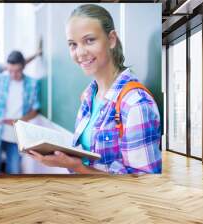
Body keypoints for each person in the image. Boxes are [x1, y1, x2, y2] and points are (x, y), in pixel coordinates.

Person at [28, 4, 162, 174]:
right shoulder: (89, 97)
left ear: (112, 39)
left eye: (89, 40)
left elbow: (143, 186)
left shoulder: (135, 104)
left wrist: (75, 166)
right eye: (73, 44)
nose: (80, 52)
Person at [0, 51, 41, 174]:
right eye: (10, 71)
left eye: (17, 71)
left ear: (23, 66)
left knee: (14, 170)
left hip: (17, 136)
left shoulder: (32, 84)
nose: (13, 74)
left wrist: (21, 120)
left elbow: (36, 109)